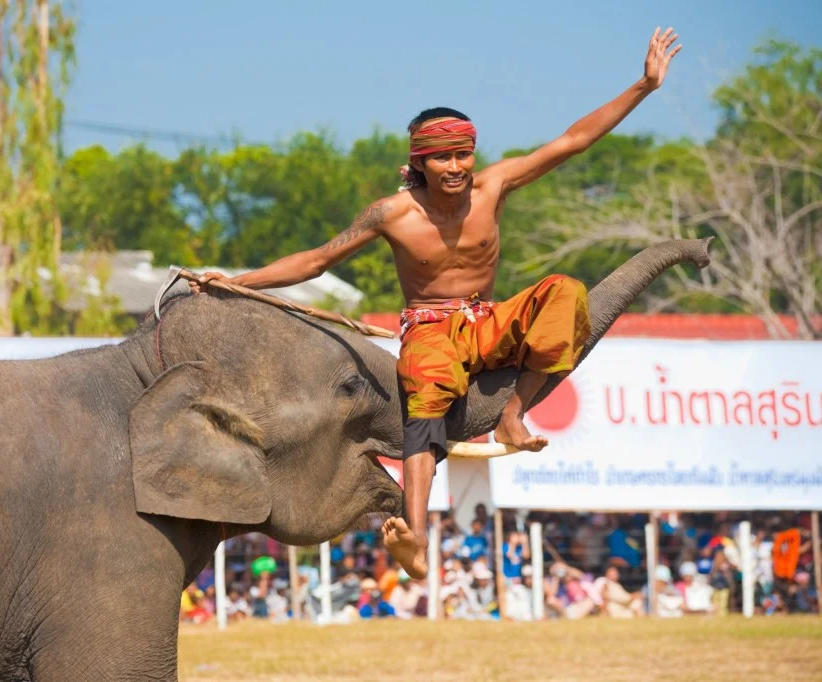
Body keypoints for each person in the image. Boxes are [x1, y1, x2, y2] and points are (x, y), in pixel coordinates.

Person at [194, 28, 682, 578]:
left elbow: (573, 141)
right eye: (443, 157)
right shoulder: (392, 214)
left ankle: (514, 415)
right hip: (430, 331)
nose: (455, 167)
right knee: (425, 385)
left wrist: (643, 86)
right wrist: (238, 281)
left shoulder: (494, 186)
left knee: (565, 291)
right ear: (420, 163)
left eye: (463, 154)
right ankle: (417, 537)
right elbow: (316, 261)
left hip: (488, 321)